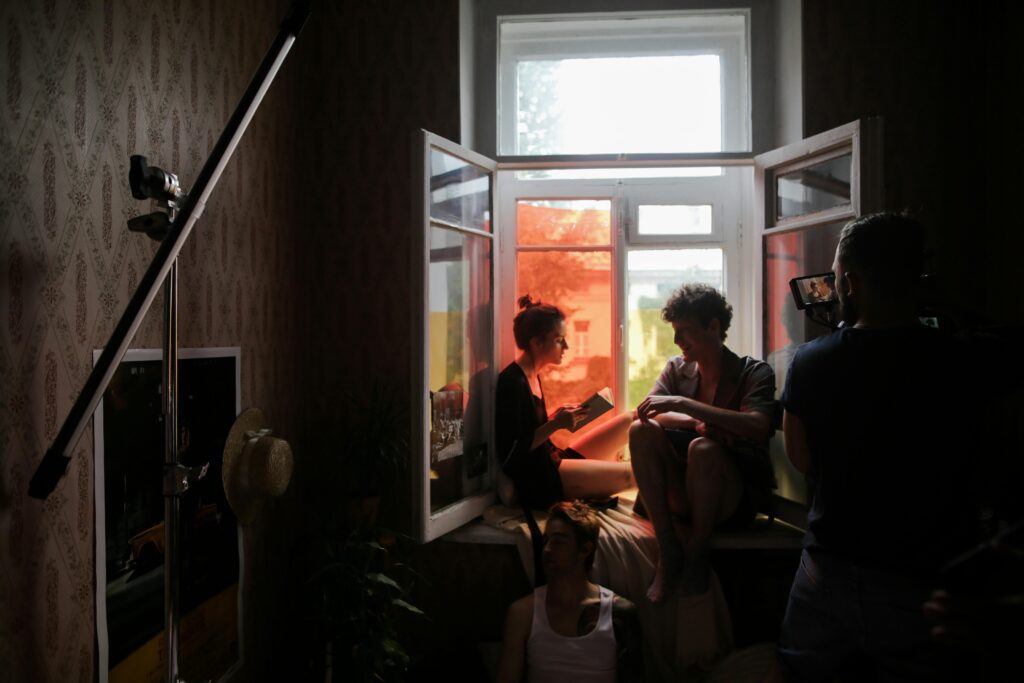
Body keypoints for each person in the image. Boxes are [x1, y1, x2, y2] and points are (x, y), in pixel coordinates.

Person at [773, 212, 983, 681]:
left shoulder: (811, 362)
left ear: (850, 282)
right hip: (927, 575)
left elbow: (802, 460)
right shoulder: (962, 358)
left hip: (832, 567)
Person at [629, 284, 776, 601]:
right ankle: (668, 547)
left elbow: (758, 424)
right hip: (683, 493)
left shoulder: (753, 372)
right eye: (674, 332)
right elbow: (649, 409)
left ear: (713, 327)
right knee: (640, 431)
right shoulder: (676, 368)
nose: (677, 340)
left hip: (730, 500)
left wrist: (685, 404)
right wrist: (694, 421)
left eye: (684, 331)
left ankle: (698, 551)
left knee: (704, 449)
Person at [496, 296, 635, 510]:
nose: (567, 346)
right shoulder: (512, 382)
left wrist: (555, 417)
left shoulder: (533, 374)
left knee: (632, 418)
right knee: (635, 473)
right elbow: (510, 457)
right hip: (541, 479)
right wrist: (555, 424)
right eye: (559, 339)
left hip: (552, 457)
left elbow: (529, 429)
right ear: (536, 343)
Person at [498, 501, 643, 683]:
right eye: (545, 541)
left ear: (585, 550)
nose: (547, 549)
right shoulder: (523, 613)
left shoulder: (619, 612)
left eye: (558, 542)